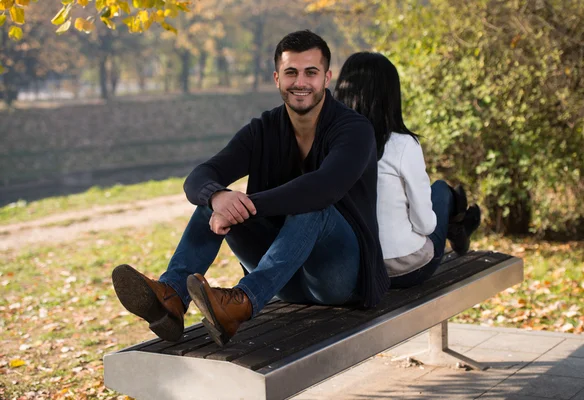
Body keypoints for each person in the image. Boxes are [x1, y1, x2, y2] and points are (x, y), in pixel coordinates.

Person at [111, 31, 389, 346]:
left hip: (339, 281)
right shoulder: (262, 130)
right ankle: (171, 298)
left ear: (327, 77)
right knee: (212, 201)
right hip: (284, 280)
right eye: (291, 72)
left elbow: (322, 188)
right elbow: (200, 177)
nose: (301, 81)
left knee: (314, 210)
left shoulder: (354, 130)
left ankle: (241, 303)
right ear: (276, 78)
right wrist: (218, 197)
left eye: (310, 72)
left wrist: (244, 205)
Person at [334, 52, 481, 288]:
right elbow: (425, 225)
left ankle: (459, 225)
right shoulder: (402, 145)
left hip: (352, 270)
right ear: (389, 97)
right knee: (441, 190)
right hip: (402, 269)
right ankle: (458, 225)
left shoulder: (329, 145)